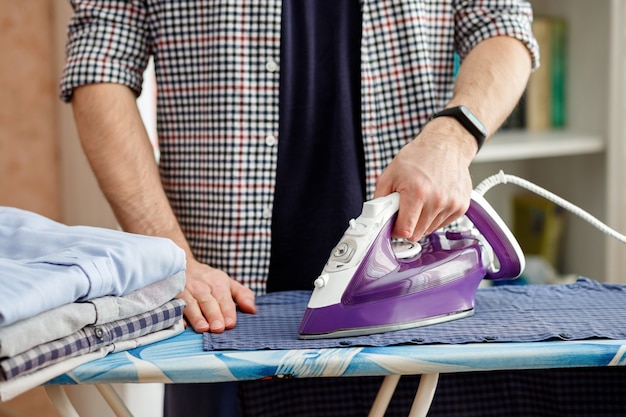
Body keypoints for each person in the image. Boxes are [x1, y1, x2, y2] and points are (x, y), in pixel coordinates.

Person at [60, 1, 538, 416]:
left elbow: (502, 21)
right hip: (226, 305)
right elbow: (100, 66)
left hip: (414, 310)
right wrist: (174, 260)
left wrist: (453, 136)